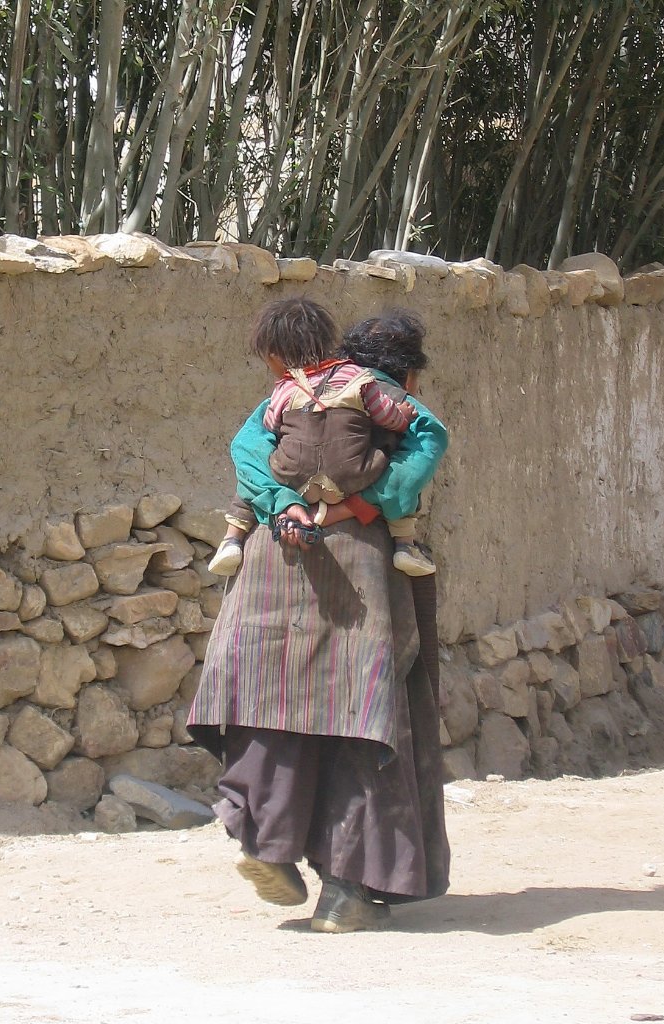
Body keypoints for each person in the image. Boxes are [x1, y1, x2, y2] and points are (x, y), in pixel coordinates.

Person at [188, 305, 450, 933]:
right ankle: (346, 894)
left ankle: (266, 845)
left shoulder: (286, 391)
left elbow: (245, 450)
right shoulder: (381, 393)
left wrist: (281, 503)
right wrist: (367, 503)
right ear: (406, 371)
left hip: (275, 559)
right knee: (361, 717)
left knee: (271, 706)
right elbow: (429, 441)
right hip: (357, 568)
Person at [208, 298, 435, 578]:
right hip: (364, 537)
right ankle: (405, 545)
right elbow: (415, 460)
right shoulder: (385, 397)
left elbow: (249, 447)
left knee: (249, 484)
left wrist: (285, 502)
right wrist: (353, 506)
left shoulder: (281, 394)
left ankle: (232, 539)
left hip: (283, 524)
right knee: (421, 586)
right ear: (410, 378)